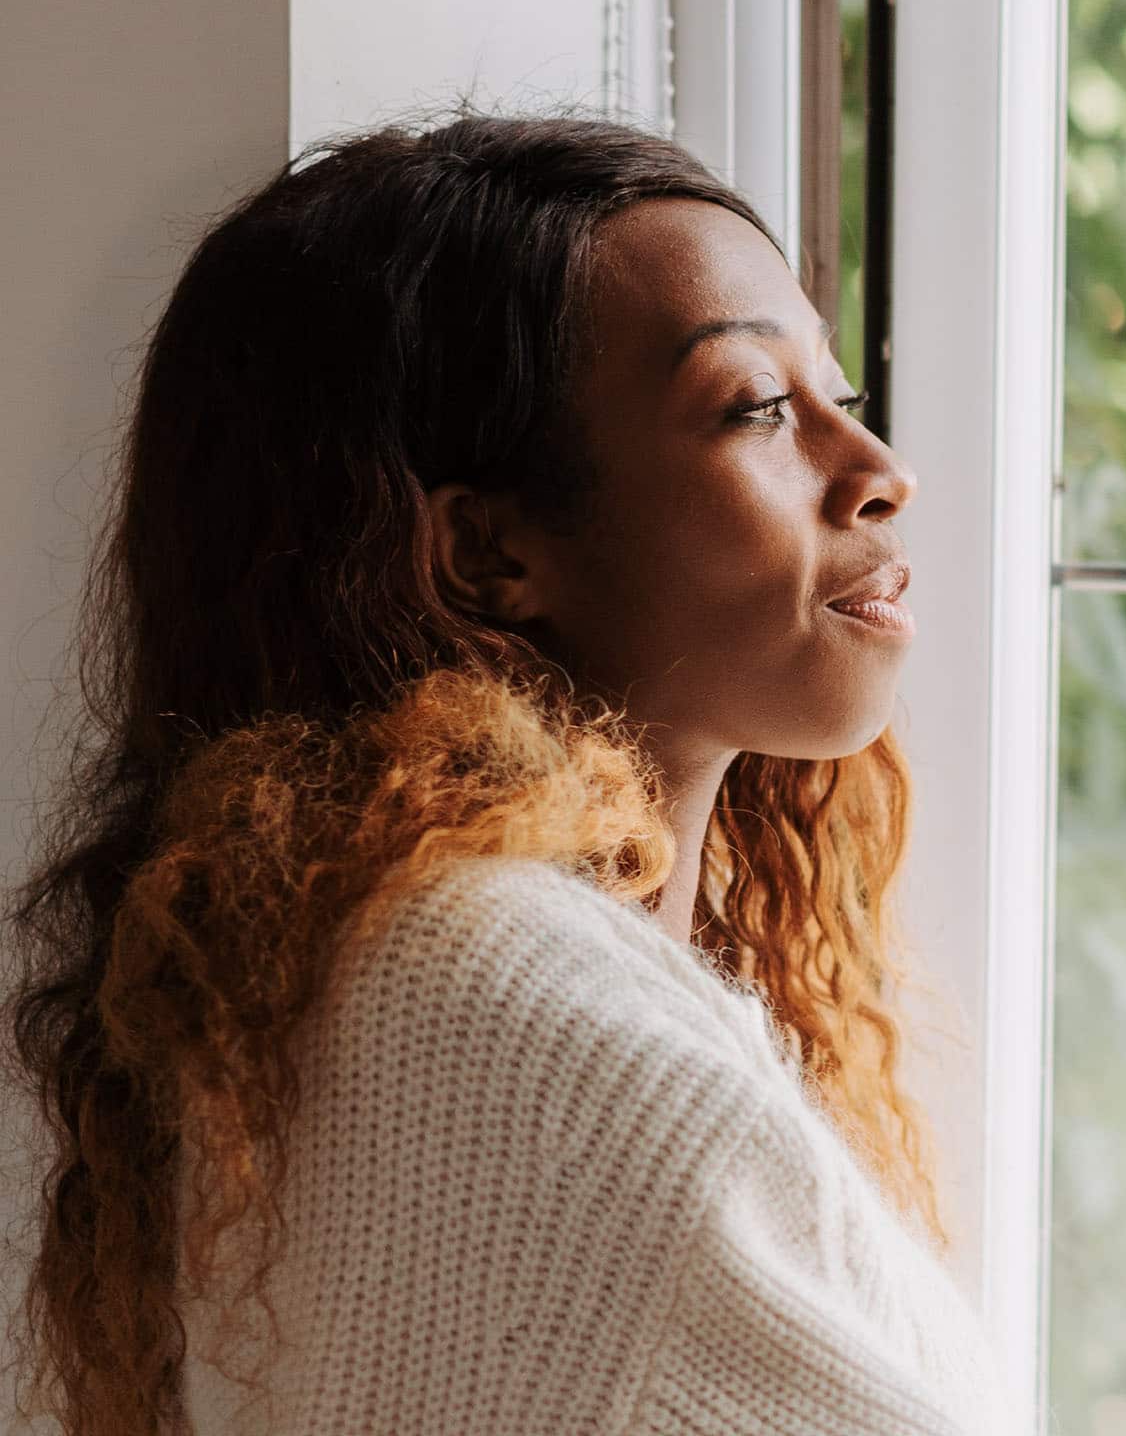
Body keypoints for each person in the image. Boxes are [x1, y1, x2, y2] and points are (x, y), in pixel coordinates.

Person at [4, 113, 1003, 1435]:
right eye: (757, 408)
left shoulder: (396, 967)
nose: (879, 472)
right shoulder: (514, 1017)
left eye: (844, 399)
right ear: (485, 555)